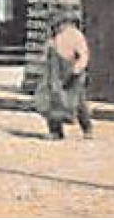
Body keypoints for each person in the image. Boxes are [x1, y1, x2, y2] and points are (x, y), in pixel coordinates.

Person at [35, 11, 93, 140]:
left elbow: (83, 55)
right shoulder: (53, 38)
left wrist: (77, 70)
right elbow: (47, 55)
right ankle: (55, 131)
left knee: (77, 101)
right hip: (54, 74)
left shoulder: (75, 35)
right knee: (51, 101)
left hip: (71, 72)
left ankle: (87, 127)